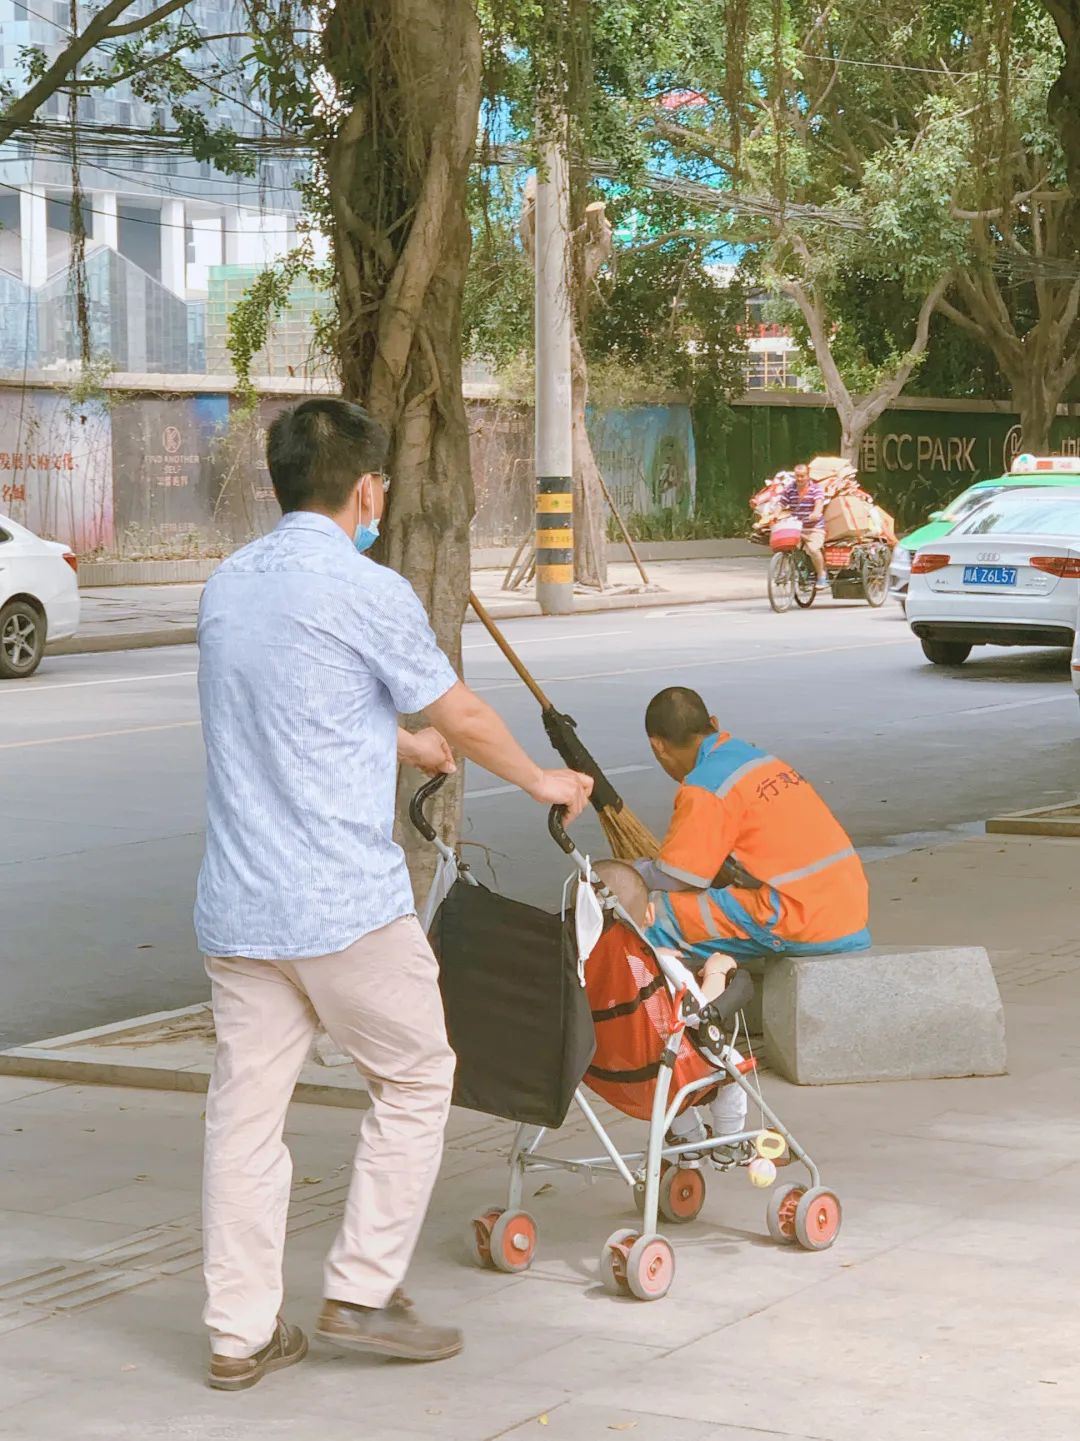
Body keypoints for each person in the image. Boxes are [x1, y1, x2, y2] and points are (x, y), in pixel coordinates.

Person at [195, 397, 592, 1392]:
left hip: (240, 909)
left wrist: (396, 743)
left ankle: (238, 1335)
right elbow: (457, 705)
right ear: (367, 488)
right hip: (341, 907)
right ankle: (361, 1291)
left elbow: (295, 712)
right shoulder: (367, 590)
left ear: (278, 481)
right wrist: (543, 780)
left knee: (245, 1119)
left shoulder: (227, 586)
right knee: (416, 1078)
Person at [634, 687, 870, 970]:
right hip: (847, 912)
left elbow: (677, 879)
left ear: (657, 746)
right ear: (714, 723)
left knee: (653, 915)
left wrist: (631, 873)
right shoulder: (756, 759)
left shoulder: (705, 785)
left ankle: (662, 1011)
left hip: (798, 920)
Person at [584, 860, 749, 1155]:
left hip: (610, 1072)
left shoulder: (580, 971)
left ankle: (689, 1139)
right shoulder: (664, 969)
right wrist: (716, 972)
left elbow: (618, 965)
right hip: (664, 1069)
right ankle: (729, 1142)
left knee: (666, 1067)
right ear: (649, 914)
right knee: (731, 1067)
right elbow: (701, 1014)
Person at [780, 461, 828, 591]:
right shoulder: (790, 488)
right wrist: (772, 515)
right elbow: (781, 504)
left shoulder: (816, 488)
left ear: (808, 476)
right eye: (797, 476)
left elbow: (819, 503)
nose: (799, 479)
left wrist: (816, 513)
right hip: (796, 526)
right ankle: (803, 576)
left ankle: (821, 575)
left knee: (813, 549)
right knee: (789, 548)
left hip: (814, 527)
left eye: (802, 476)